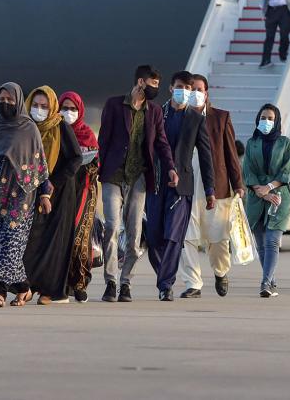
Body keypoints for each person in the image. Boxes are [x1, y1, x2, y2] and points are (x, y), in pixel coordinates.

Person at [96, 65, 177, 303]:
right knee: (111, 226)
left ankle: (126, 282)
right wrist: (99, 168)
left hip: (139, 178)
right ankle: (110, 281)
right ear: (140, 82)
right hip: (113, 175)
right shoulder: (114, 105)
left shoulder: (153, 112)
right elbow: (104, 139)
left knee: (134, 234)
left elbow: (161, 142)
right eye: (153, 84)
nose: (156, 90)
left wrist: (170, 167)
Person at [0, 82, 51, 307]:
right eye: (2, 100)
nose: (5, 104)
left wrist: (45, 194)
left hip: (22, 194)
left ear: (18, 101)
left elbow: (40, 165)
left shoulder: (29, 129)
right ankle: (24, 288)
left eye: (10, 100)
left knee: (12, 241)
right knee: (2, 243)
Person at [148, 72, 214, 302]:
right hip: (156, 184)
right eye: (180, 86)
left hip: (182, 187)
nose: (184, 91)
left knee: (174, 237)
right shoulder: (155, 113)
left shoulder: (196, 119)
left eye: (188, 87)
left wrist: (210, 190)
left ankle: (166, 284)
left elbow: (206, 156)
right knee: (154, 237)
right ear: (170, 88)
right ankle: (163, 276)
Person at [178, 74, 243, 299]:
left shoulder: (220, 118)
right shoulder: (180, 117)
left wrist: (238, 184)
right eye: (191, 89)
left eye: (199, 89)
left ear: (206, 94)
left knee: (218, 240)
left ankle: (220, 272)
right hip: (187, 186)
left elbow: (230, 153)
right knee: (186, 237)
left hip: (216, 187)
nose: (194, 93)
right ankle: (193, 283)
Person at [23, 86, 84, 304]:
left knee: (55, 241)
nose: (39, 110)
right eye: (36, 105)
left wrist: (52, 183)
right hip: (33, 190)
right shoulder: (27, 126)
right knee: (33, 238)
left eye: (44, 106)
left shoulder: (61, 127)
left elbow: (76, 158)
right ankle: (27, 285)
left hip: (59, 191)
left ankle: (50, 291)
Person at [243, 104, 290, 297]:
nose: (266, 122)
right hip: (257, 197)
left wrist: (270, 188)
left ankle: (265, 282)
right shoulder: (251, 143)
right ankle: (270, 280)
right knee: (260, 243)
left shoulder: (285, 143)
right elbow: (248, 170)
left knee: (272, 241)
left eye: (270, 118)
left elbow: (287, 171)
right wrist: (261, 191)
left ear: (277, 121)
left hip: (279, 196)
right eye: (263, 118)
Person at [58, 90, 100, 303]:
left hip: (84, 190)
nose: (68, 113)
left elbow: (96, 164)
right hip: (60, 191)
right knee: (60, 239)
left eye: (73, 109)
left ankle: (80, 282)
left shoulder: (87, 134)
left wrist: (85, 166)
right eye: (64, 108)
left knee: (79, 238)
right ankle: (62, 282)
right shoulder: (55, 133)